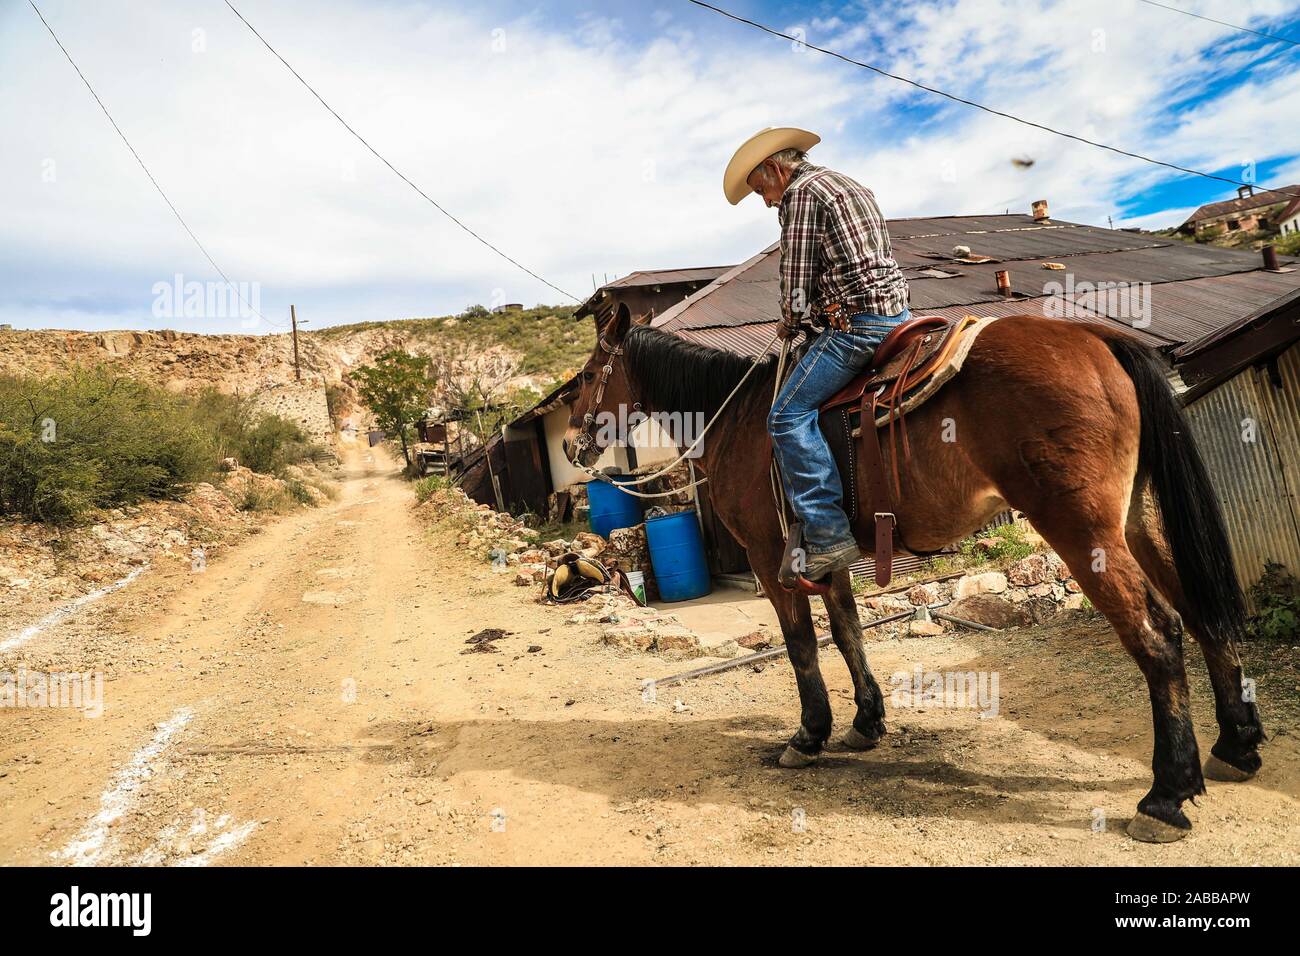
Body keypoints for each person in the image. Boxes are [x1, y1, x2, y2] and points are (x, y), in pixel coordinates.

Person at [723, 127, 911, 581]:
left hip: (857, 327)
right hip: (899, 314)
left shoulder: (801, 195)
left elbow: (797, 283)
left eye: (761, 189)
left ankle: (828, 534)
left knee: (785, 416)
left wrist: (789, 320)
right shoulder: (851, 184)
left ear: (773, 168)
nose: (767, 201)